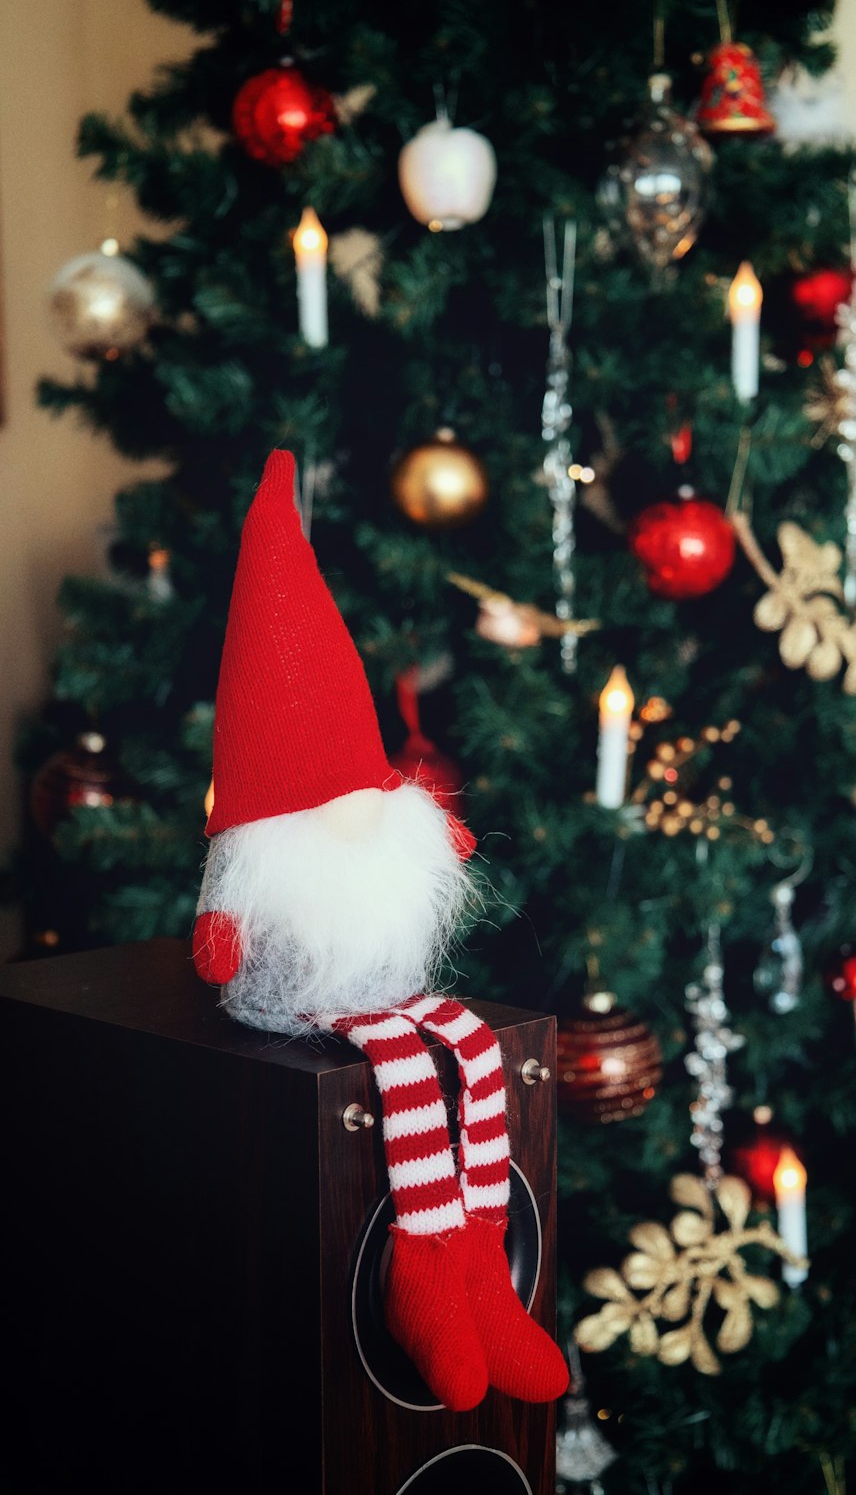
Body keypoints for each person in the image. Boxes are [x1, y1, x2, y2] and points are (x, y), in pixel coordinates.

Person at [193, 450, 568, 1412]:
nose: (359, 810)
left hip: (386, 984)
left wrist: (433, 832)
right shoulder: (260, 864)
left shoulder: (387, 814)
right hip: (320, 1001)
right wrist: (219, 942)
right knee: (403, 1073)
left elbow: (435, 834)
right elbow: (221, 941)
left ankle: (478, 1266)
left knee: (479, 1049)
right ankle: (422, 1277)